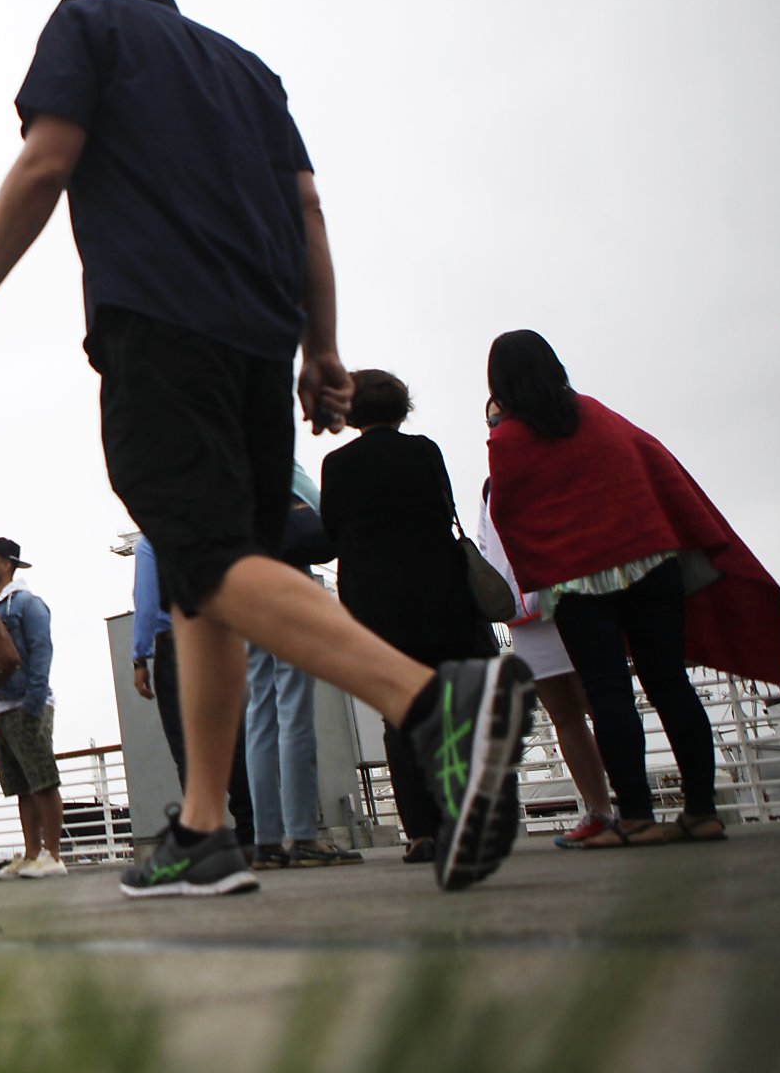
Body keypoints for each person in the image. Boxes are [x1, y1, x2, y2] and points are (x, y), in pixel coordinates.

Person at [0, 0, 533, 895]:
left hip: (158, 326)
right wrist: (321, 344)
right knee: (206, 581)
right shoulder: (246, 70)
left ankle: (432, 706)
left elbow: (45, 161)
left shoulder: (86, 27)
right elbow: (304, 209)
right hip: (258, 337)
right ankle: (204, 828)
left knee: (202, 556)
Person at [487, 329, 780, 845]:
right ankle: (702, 811)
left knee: (608, 696)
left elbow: (508, 515)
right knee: (670, 684)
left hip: (578, 579)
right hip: (652, 565)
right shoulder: (595, 413)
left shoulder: (509, 439)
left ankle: (635, 818)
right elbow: (654, 462)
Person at [321, 370, 501, 867]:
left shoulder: (338, 464)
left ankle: (421, 832)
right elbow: (445, 509)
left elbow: (332, 529)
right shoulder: (425, 451)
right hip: (440, 597)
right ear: (403, 409)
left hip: (376, 608)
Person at [475, 423, 616, 848]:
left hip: (572, 595)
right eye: (491, 420)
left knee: (599, 703)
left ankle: (632, 803)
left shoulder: (558, 462)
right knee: (563, 714)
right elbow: (487, 546)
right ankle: (599, 809)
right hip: (527, 614)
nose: (497, 427)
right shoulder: (490, 487)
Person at [243, 466, 360, 869]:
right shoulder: (271, 452)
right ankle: (304, 834)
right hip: (284, 580)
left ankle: (267, 840)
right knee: (293, 706)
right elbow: (321, 507)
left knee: (260, 709)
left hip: (242, 583)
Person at [130, 535, 257, 848]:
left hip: (176, 646)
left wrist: (139, 657)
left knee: (186, 748)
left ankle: (203, 835)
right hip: (224, 642)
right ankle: (252, 831)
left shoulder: (151, 543)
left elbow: (146, 602)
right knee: (234, 742)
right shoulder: (210, 532)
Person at [0, 538, 64, 879]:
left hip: (26, 703)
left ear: (8, 563)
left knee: (43, 780)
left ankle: (53, 855)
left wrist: (33, 700)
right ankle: (31, 855)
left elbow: (42, 650)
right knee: (21, 785)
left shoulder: (28, 604)